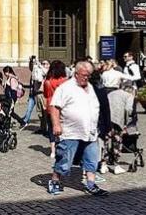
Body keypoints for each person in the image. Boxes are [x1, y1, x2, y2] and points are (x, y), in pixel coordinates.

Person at [47, 61, 107, 197]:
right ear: (76, 74)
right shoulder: (65, 88)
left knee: (92, 160)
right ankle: (55, 180)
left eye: (89, 75)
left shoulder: (90, 87)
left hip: (90, 132)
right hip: (70, 132)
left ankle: (91, 184)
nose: (87, 78)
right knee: (64, 160)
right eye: (84, 75)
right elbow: (54, 107)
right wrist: (56, 124)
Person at [43, 60, 68, 157]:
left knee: (51, 128)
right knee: (63, 128)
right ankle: (63, 148)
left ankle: (53, 151)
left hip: (50, 106)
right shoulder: (65, 81)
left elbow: (45, 94)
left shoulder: (47, 81)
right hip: (62, 107)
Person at [22, 56, 46, 127]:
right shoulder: (34, 72)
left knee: (42, 112)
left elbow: (44, 73)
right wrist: (31, 61)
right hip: (33, 94)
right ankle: (25, 121)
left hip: (40, 94)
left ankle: (43, 127)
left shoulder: (42, 72)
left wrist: (39, 65)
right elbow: (31, 68)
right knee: (30, 108)